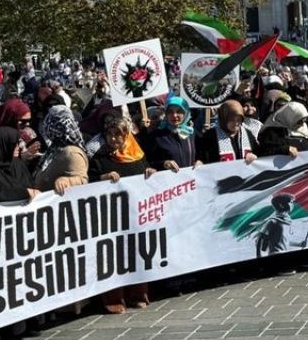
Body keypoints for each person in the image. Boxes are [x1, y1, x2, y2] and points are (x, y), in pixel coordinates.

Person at [87, 113, 154, 314]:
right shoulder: (100, 158)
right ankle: (114, 299)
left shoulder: (138, 155)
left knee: (137, 254)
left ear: (127, 135)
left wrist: (150, 172)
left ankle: (138, 294)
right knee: (112, 258)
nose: (114, 139)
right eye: (110, 135)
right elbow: (88, 182)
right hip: (110, 218)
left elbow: (146, 173)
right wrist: (103, 177)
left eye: (119, 134)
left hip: (135, 215)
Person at [34, 105, 89, 195]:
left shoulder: (72, 153)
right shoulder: (54, 148)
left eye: (50, 122)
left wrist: (67, 181)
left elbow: (82, 180)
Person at [197, 99, 257, 164]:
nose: (236, 123)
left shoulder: (248, 134)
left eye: (239, 120)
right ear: (224, 118)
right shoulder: (211, 135)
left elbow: (259, 152)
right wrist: (200, 162)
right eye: (232, 120)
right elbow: (201, 156)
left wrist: (253, 156)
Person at [147, 96, 198, 171]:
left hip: (192, 180)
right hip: (169, 181)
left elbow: (202, 155)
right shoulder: (157, 136)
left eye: (179, 111)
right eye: (170, 111)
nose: (174, 115)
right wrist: (164, 163)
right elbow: (149, 162)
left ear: (186, 113)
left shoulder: (192, 133)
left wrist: (200, 162)